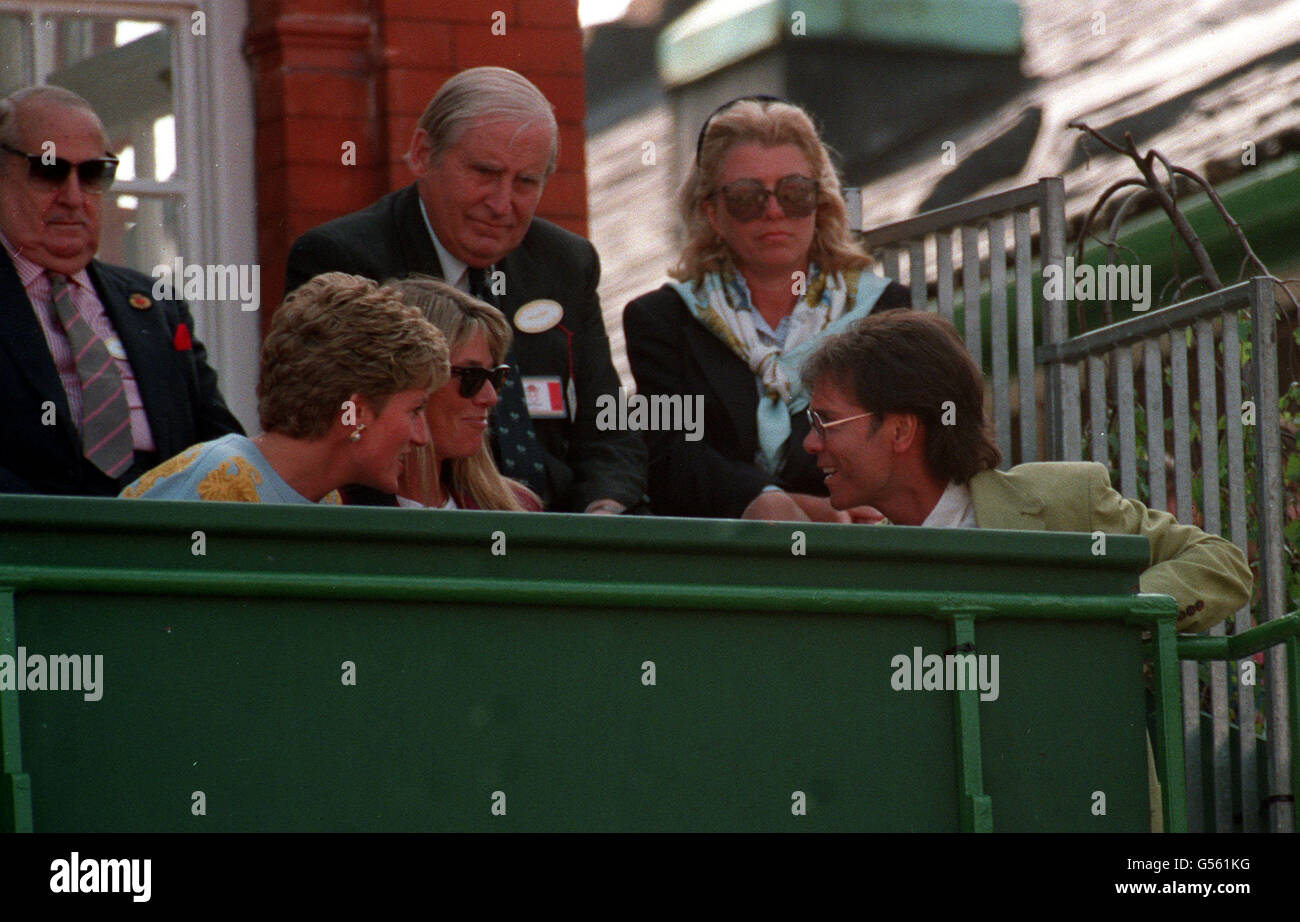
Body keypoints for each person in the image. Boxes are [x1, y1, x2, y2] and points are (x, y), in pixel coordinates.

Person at [285, 66, 645, 515]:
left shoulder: (566, 263)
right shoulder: (343, 263)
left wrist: (603, 510)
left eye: (525, 182)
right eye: (484, 172)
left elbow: (607, 426)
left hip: (560, 535)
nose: (501, 203)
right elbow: (330, 441)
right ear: (422, 154)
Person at [795, 310, 1252, 633]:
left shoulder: (1061, 499)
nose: (810, 442)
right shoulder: (862, 567)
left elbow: (1222, 564)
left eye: (825, 421)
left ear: (900, 430)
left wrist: (1109, 618)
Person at [623, 96, 909, 520]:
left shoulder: (885, 311)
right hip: (723, 557)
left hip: (862, 546)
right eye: (746, 197)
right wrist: (768, 502)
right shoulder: (661, 319)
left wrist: (828, 508)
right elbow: (670, 454)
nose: (773, 211)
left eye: (794, 193)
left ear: (820, 202)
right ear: (713, 213)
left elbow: (901, 447)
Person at [0, 85, 243, 496]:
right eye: (48, 170)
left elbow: (219, 447)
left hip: (160, 537)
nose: (74, 198)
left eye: (94, 174)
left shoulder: (155, 306)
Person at [120, 273, 449, 504]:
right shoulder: (218, 484)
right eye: (414, 410)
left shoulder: (322, 497)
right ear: (354, 412)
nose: (421, 436)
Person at [383, 275, 541, 510]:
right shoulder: (336, 508)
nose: (491, 397)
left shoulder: (515, 508)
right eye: (471, 376)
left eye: (495, 376)